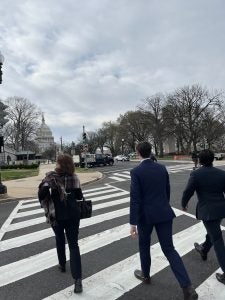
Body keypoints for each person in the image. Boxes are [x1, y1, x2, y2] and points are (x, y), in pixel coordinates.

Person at [130, 141, 198, 300]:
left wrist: (132, 223)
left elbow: (135, 199)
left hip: (145, 216)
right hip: (163, 212)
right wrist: (163, 206)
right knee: (169, 249)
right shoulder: (161, 168)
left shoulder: (136, 172)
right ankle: (187, 287)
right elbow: (167, 191)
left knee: (144, 245)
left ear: (138, 153)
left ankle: (145, 275)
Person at [38, 154, 83, 293]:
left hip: (56, 214)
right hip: (73, 215)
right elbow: (79, 196)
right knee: (73, 245)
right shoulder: (74, 177)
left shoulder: (51, 178)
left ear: (59, 164)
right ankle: (78, 281)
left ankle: (62, 264)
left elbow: (41, 195)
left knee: (59, 239)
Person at [182, 149, 225, 284]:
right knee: (213, 232)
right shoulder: (221, 174)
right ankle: (204, 249)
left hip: (207, 211)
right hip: (220, 209)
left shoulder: (196, 174)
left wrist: (184, 204)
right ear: (212, 159)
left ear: (200, 160)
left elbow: (188, 191)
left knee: (217, 240)